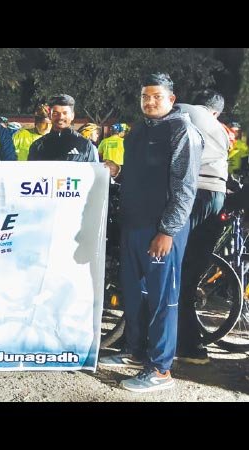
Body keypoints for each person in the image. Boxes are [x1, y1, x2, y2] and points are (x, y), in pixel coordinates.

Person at [99, 73, 203, 393]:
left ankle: (160, 369)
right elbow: (138, 175)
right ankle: (134, 350)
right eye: (145, 96)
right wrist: (117, 172)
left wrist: (167, 231)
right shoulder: (138, 130)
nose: (150, 101)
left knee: (162, 300)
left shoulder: (182, 130)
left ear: (171, 99)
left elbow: (185, 188)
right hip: (133, 225)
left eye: (157, 96)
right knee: (134, 294)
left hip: (161, 230)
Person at [174, 89, 230, 364]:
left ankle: (151, 341)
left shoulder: (181, 109)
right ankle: (191, 346)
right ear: (216, 111)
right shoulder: (221, 130)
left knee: (171, 265)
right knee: (191, 272)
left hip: (193, 192)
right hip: (217, 196)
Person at [28, 94, 98, 162]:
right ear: (50, 115)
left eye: (65, 113)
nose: (60, 117)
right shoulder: (38, 146)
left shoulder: (85, 145)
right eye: (55, 113)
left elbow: (94, 168)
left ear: (72, 115)